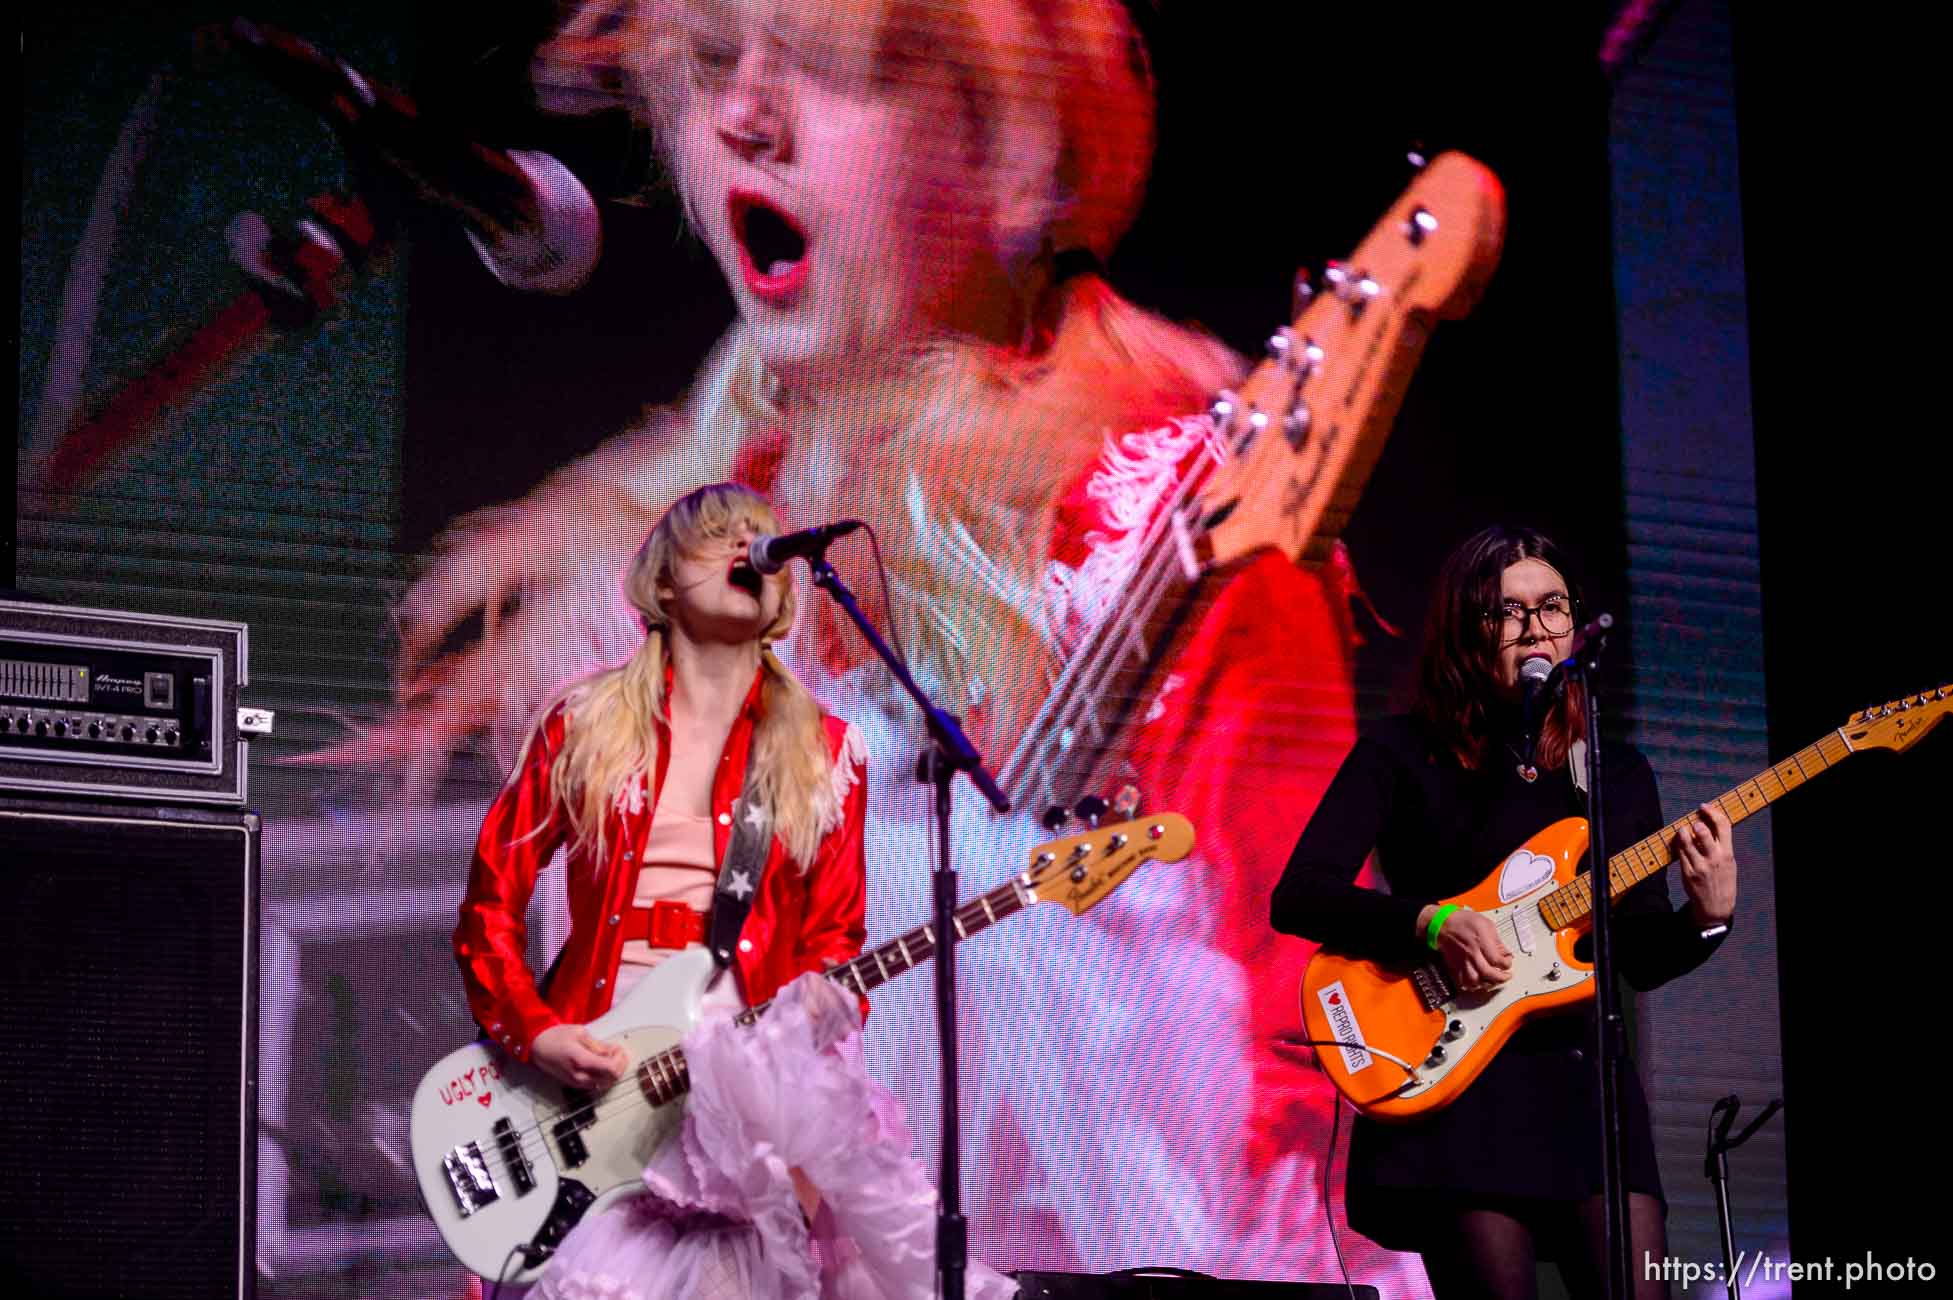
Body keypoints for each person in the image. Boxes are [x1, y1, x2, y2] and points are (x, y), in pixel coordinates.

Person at [349, 0, 1408, 1284]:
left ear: (1019, 155)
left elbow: (1293, 1062)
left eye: (830, 67)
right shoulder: (668, 546)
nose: (743, 115)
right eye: (709, 66)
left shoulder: (1168, 534)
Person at [456, 481, 1009, 1297]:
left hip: (737, 1103)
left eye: (758, 534)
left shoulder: (825, 751)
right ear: (664, 580)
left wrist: (822, 1013)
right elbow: (489, 908)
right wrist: (536, 1033)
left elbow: (834, 942)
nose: (747, 545)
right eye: (716, 534)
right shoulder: (583, 723)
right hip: (591, 1089)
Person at [1270, 524, 1739, 1299]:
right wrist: (1430, 923)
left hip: (1587, 1098)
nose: (1533, 629)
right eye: (1507, 611)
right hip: (1457, 1086)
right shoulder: (1399, 752)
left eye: (1551, 607)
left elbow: (1643, 955)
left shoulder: (1612, 772)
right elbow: (1301, 894)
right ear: (1467, 627)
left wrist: (1705, 917)